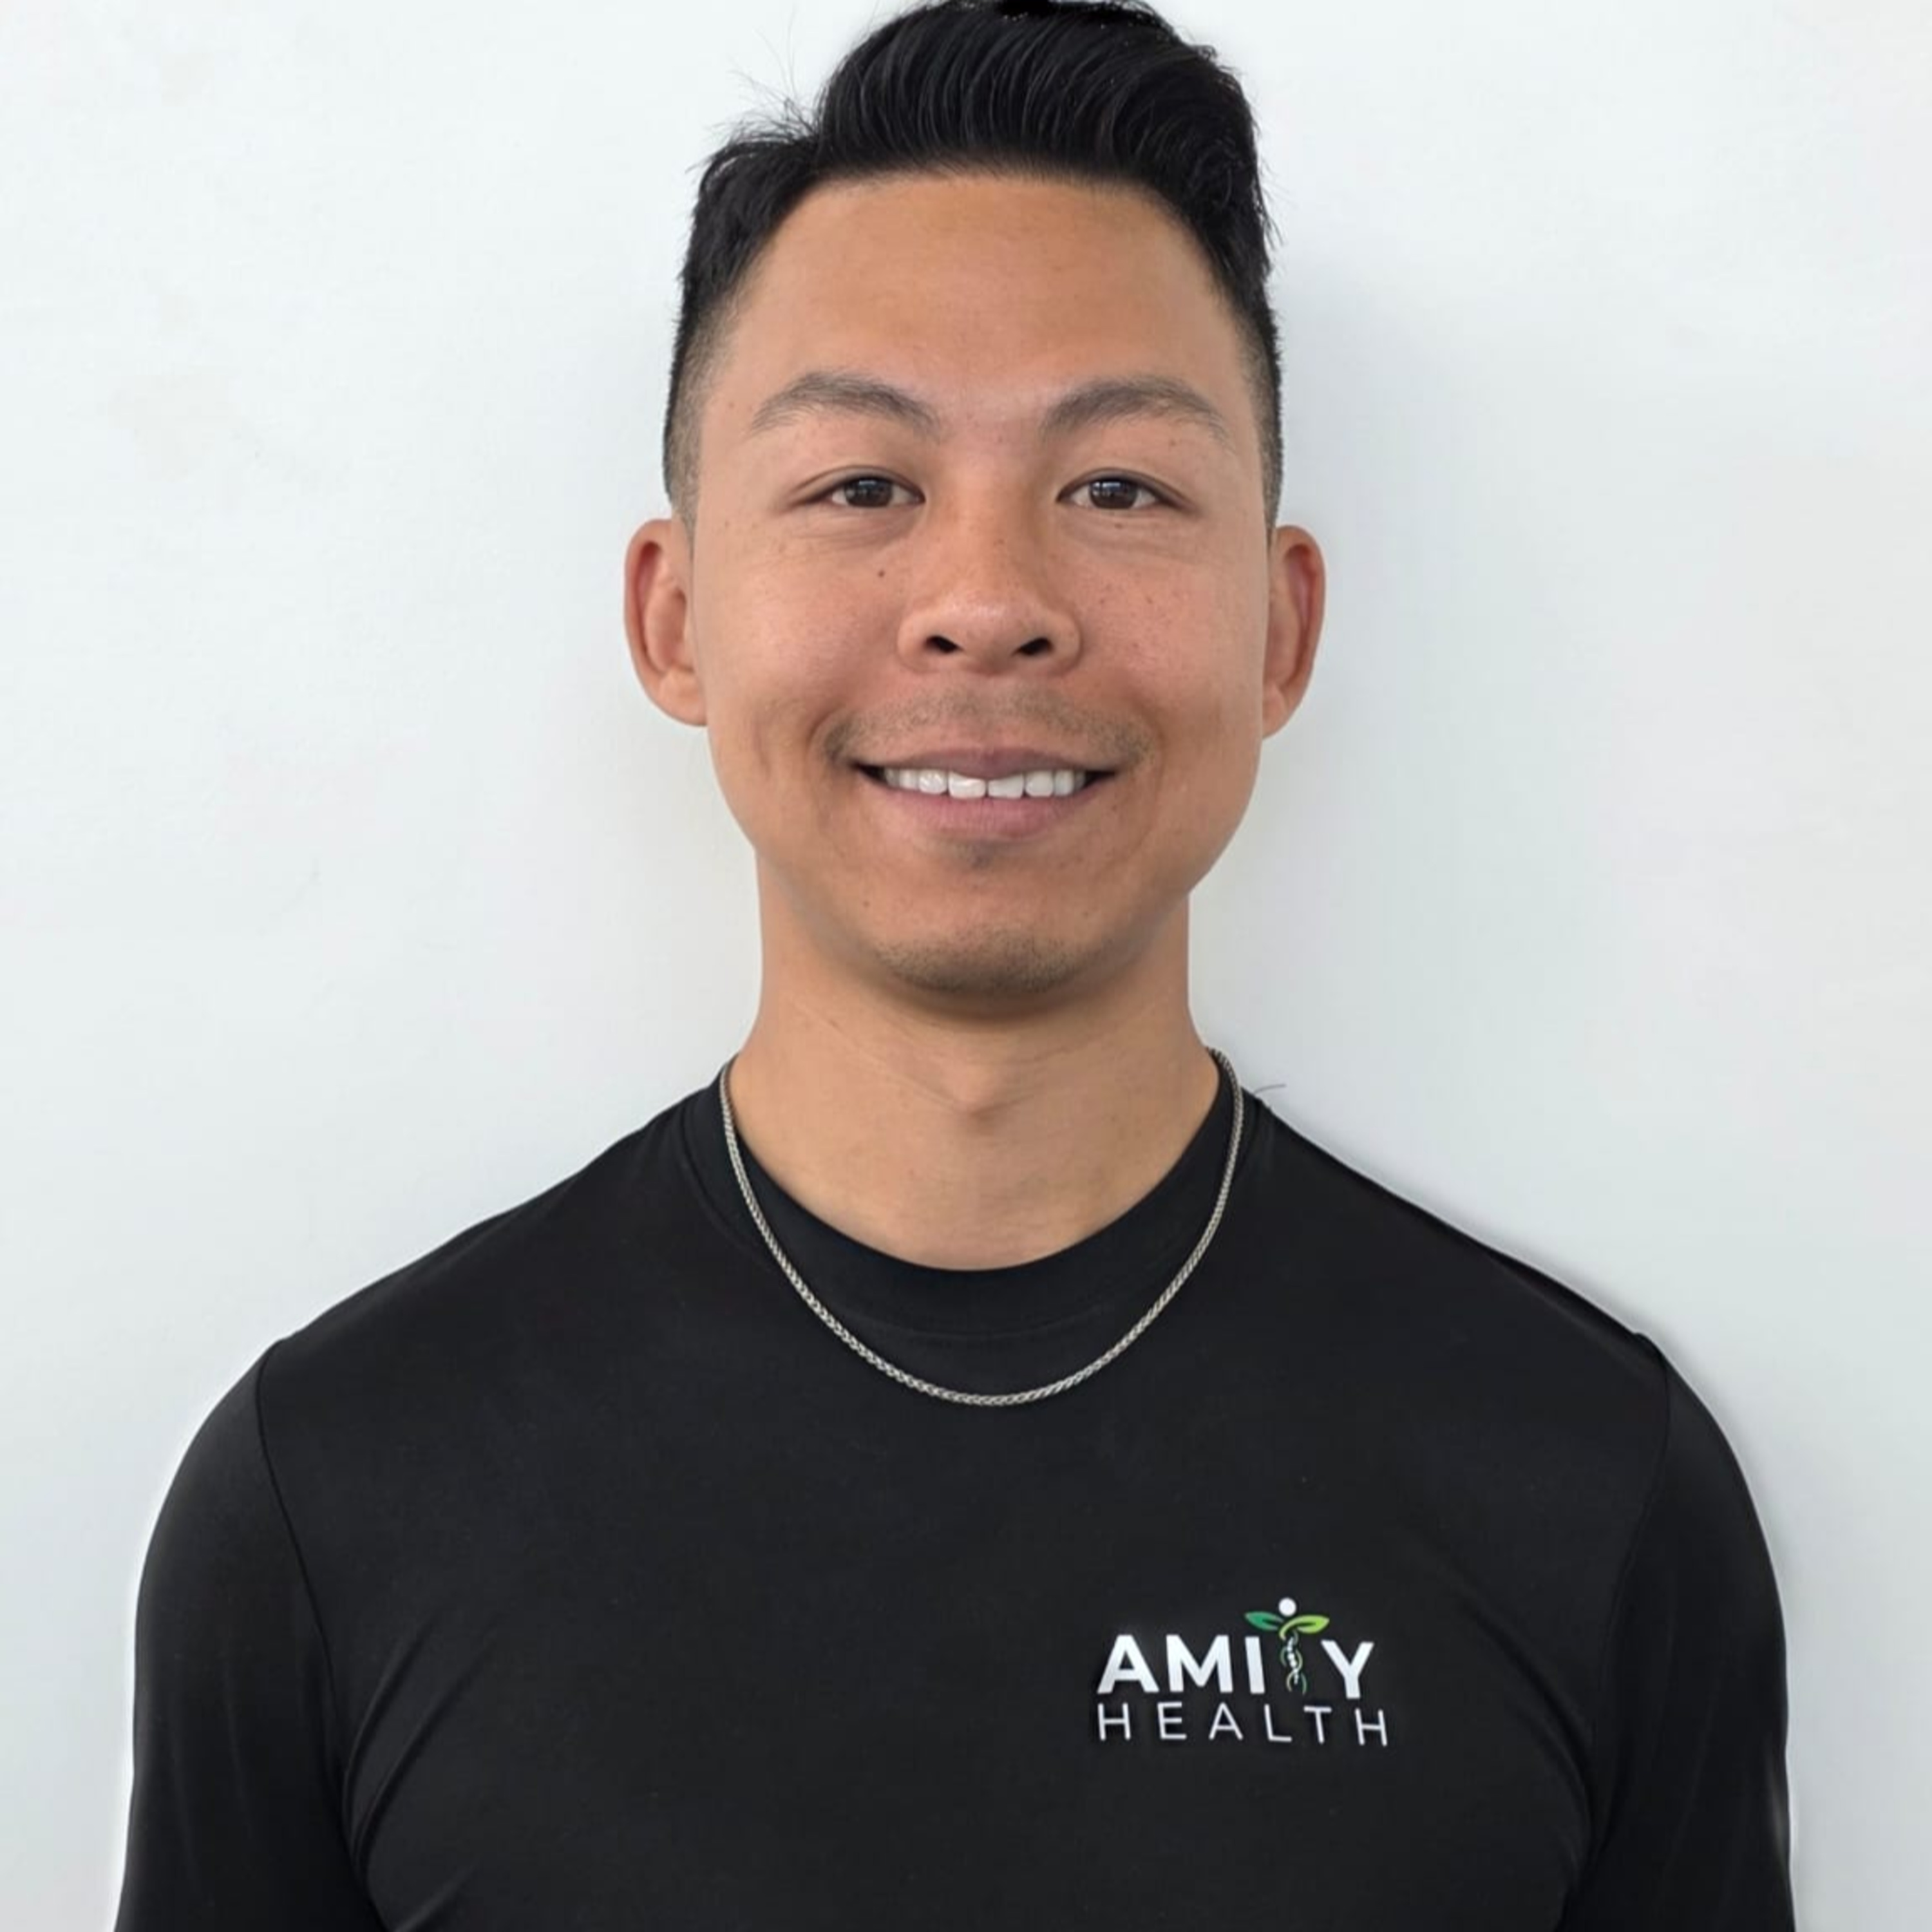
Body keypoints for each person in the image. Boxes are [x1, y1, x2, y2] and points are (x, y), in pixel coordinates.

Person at [113, 3, 1795, 1926]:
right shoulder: (333, 1496)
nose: (988, 604)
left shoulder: (1590, 1485)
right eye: (863, 486)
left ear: (1279, 629)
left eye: (1119, 488)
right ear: (676, 619)